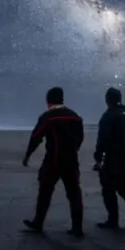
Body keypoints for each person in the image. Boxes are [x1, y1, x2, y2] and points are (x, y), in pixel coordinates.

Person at [21, 87, 86, 238]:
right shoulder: (75, 117)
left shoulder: (48, 117)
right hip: (71, 159)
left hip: (54, 160)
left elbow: (36, 137)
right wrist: (74, 150)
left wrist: (28, 155)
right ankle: (77, 227)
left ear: (48, 101)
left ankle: (38, 222)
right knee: (74, 192)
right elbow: (80, 138)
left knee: (45, 190)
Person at [93, 87, 125, 229]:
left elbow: (103, 139)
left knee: (108, 189)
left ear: (107, 100)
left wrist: (98, 158)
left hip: (113, 158)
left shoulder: (108, 116)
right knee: (124, 187)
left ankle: (113, 220)